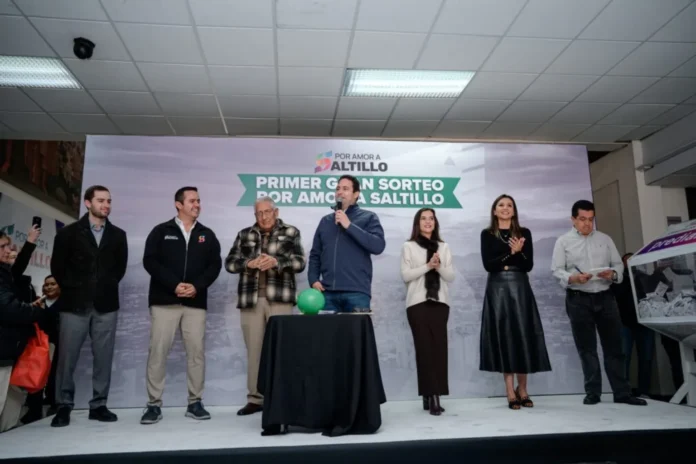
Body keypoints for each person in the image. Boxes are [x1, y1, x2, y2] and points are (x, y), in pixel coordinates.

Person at [551, 200, 646, 406]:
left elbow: (618, 265)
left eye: (591, 219)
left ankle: (622, 393)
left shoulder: (605, 239)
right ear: (573, 219)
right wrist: (573, 278)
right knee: (587, 348)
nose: (587, 224)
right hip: (578, 298)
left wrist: (613, 274)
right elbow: (557, 270)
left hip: (605, 296)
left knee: (615, 347)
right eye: (582, 219)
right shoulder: (563, 242)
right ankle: (593, 392)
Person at [141, 187, 222, 425]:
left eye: (199, 200)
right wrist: (173, 285)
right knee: (158, 352)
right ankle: (153, 405)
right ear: (178, 204)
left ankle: (195, 402)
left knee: (196, 354)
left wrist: (197, 286)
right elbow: (150, 261)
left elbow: (215, 266)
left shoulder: (207, 234)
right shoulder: (161, 231)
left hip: (195, 303)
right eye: (192, 201)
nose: (197, 204)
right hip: (164, 302)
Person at [50, 185, 129, 427]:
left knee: (103, 358)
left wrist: (104, 286)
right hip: (74, 304)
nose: (106, 205)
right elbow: (57, 268)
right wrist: (77, 288)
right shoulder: (68, 233)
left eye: (109, 201)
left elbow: (119, 269)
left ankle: (99, 405)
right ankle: (63, 406)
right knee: (67, 358)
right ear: (88, 203)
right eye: (101, 200)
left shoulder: (118, 235)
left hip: (106, 305)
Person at [225, 196, 306, 416]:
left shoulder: (291, 232)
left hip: (280, 299)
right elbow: (230, 263)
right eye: (259, 213)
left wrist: (277, 262)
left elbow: (300, 262)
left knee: (282, 351)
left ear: (276, 212)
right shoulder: (244, 234)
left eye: (267, 212)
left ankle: (282, 397)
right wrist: (249, 263)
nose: (263, 217)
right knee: (254, 351)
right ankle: (255, 399)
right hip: (250, 301)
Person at [479, 194, 551, 409]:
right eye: (501, 205)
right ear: (494, 211)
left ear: (514, 210)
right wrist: (512, 254)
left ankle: (523, 389)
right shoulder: (487, 234)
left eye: (509, 205)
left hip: (520, 285)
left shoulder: (524, 233)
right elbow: (489, 265)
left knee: (522, 333)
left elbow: (528, 265)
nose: (505, 208)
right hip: (497, 287)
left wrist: (515, 256)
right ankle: (510, 391)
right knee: (505, 335)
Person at [400, 208, 455, 415]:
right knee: (424, 349)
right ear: (417, 223)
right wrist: (428, 266)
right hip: (417, 303)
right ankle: (432, 396)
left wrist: (438, 266)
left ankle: (433, 393)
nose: (428, 222)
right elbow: (406, 275)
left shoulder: (444, 247)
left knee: (439, 349)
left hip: (440, 303)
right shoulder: (409, 246)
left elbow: (450, 276)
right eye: (423, 219)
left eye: (431, 218)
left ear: (435, 222)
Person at [308, 175, 386, 312]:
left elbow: (378, 246)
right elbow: (315, 254)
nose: (340, 192)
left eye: (345, 189)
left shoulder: (368, 217)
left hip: (357, 293)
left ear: (356, 194)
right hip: (327, 293)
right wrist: (313, 279)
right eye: (338, 188)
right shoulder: (325, 221)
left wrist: (349, 225)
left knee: (357, 327)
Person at [0, 230, 48, 432]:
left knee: (10, 403)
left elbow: (17, 268)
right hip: (3, 350)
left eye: (8, 245)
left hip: (9, 349)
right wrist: (35, 311)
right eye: (2, 247)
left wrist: (29, 243)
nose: (8, 250)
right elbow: (9, 308)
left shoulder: (6, 274)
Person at [612, 253, 654, 398]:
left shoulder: (644, 277)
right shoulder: (618, 279)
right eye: (627, 261)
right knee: (624, 358)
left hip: (645, 323)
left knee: (646, 358)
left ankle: (644, 390)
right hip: (624, 323)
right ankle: (625, 390)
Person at [23, 275, 62, 424]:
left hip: (56, 345)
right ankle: (34, 409)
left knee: (54, 374)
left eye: (53, 284)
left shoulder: (65, 304)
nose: (49, 287)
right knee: (36, 375)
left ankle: (54, 402)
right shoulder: (39, 303)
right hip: (38, 345)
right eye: (46, 285)